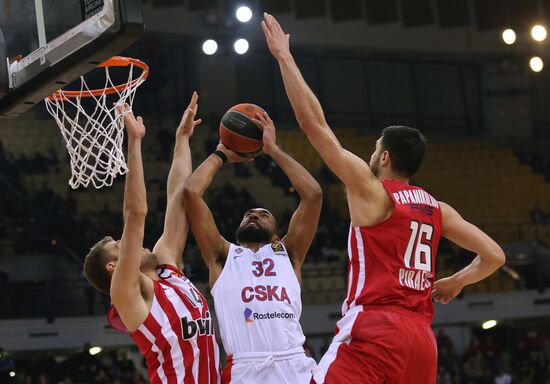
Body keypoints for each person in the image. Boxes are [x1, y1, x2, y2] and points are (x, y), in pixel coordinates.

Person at [261, 13, 506, 384]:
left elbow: (313, 124)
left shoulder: (372, 191)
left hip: (375, 327)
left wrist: (284, 57)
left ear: (385, 157)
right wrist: (456, 281)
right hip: (423, 340)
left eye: (376, 149)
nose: (373, 155)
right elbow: (494, 256)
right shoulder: (438, 209)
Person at [83, 93, 221, 383]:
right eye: (120, 245)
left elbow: (177, 197)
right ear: (114, 267)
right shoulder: (127, 293)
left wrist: (182, 139)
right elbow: (135, 214)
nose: (132, 243)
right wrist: (134, 142)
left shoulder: (167, 270)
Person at [183, 111, 322, 384]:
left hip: (294, 362)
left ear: (276, 235)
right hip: (245, 369)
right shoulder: (223, 255)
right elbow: (191, 193)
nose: (254, 215)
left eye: (263, 214)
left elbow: (313, 194)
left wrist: (273, 150)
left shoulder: (289, 253)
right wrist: (221, 152)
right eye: (248, 214)